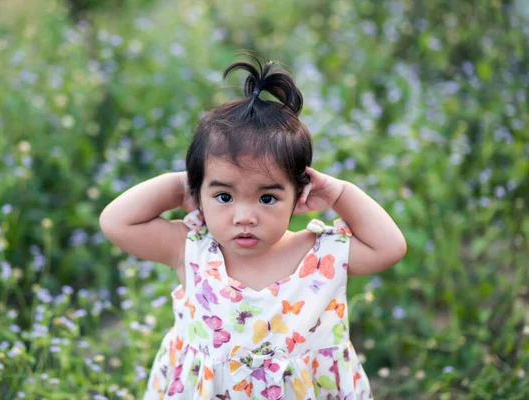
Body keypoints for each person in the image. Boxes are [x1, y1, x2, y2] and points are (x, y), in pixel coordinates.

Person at [99, 53, 407, 400]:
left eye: (267, 198)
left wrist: (341, 193)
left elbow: (390, 248)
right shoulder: (191, 249)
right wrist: (179, 185)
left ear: (299, 195)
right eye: (224, 196)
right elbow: (115, 222)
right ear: (199, 192)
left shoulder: (321, 257)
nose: (244, 216)